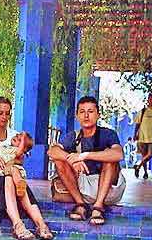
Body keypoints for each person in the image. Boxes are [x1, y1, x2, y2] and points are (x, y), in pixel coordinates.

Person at [0, 97, 53, 240]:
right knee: (10, 178)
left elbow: (20, 160)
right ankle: (18, 225)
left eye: (7, 113)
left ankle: (41, 225)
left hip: (11, 178)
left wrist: (10, 163)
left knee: (15, 179)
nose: (4, 117)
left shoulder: (14, 135)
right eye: (0, 113)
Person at [47, 96, 124, 226]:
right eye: (82, 112)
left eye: (90, 111)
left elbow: (118, 154)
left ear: (98, 115)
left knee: (110, 158)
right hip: (84, 189)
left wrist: (84, 156)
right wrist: (71, 159)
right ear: (77, 115)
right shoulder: (74, 136)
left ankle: (98, 207)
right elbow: (52, 151)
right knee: (59, 160)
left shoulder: (108, 134)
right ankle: (80, 205)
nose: (86, 116)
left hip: (109, 189)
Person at [0, 132, 33, 198]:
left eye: (20, 140)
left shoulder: (17, 150)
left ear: (23, 148)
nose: (16, 137)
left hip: (9, 168)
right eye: (16, 136)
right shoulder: (5, 147)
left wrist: (23, 139)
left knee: (14, 171)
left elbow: (19, 152)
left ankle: (19, 186)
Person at [133, 93, 152, 179]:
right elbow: (137, 124)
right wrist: (135, 134)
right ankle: (145, 173)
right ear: (148, 100)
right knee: (144, 155)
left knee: (150, 154)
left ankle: (138, 166)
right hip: (142, 136)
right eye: (150, 99)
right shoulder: (143, 111)